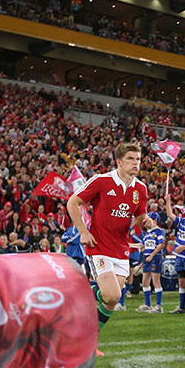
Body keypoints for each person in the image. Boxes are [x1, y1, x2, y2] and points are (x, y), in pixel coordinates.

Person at [67, 142, 152, 341]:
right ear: (119, 162)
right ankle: (77, 294)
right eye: (130, 158)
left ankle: (86, 339)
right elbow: (73, 202)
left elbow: (140, 217)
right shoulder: (102, 181)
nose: (135, 163)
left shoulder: (140, 188)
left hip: (122, 250)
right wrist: (83, 232)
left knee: (110, 301)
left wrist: (145, 221)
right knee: (113, 295)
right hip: (98, 247)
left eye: (138, 159)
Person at [136, 212, 166, 314]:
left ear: (154, 220)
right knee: (145, 281)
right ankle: (147, 304)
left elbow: (161, 245)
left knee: (155, 281)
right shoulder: (147, 232)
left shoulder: (159, 231)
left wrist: (151, 256)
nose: (145, 221)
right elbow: (144, 245)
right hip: (146, 258)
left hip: (155, 258)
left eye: (148, 219)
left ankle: (158, 306)